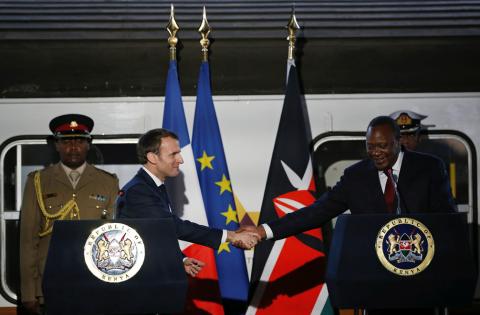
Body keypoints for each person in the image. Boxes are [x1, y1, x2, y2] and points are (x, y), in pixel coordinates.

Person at [243, 115, 457, 314]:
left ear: (397, 142)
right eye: (370, 147)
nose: (376, 153)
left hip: (420, 282)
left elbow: (446, 221)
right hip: (375, 283)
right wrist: (264, 231)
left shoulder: (429, 168)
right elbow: (317, 211)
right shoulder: (356, 176)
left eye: (382, 146)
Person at [19, 114, 120, 315]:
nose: (73, 147)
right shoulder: (38, 181)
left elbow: (114, 237)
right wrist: (29, 293)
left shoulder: (108, 182)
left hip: (95, 281)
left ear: (88, 145)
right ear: (56, 145)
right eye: (66, 141)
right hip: (51, 281)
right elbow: (28, 241)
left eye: (80, 141)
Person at [116, 128, 259, 263]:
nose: (181, 160)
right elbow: (171, 226)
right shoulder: (139, 190)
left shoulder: (151, 186)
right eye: (173, 154)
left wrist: (181, 259)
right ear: (152, 157)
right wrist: (231, 236)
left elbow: (154, 236)